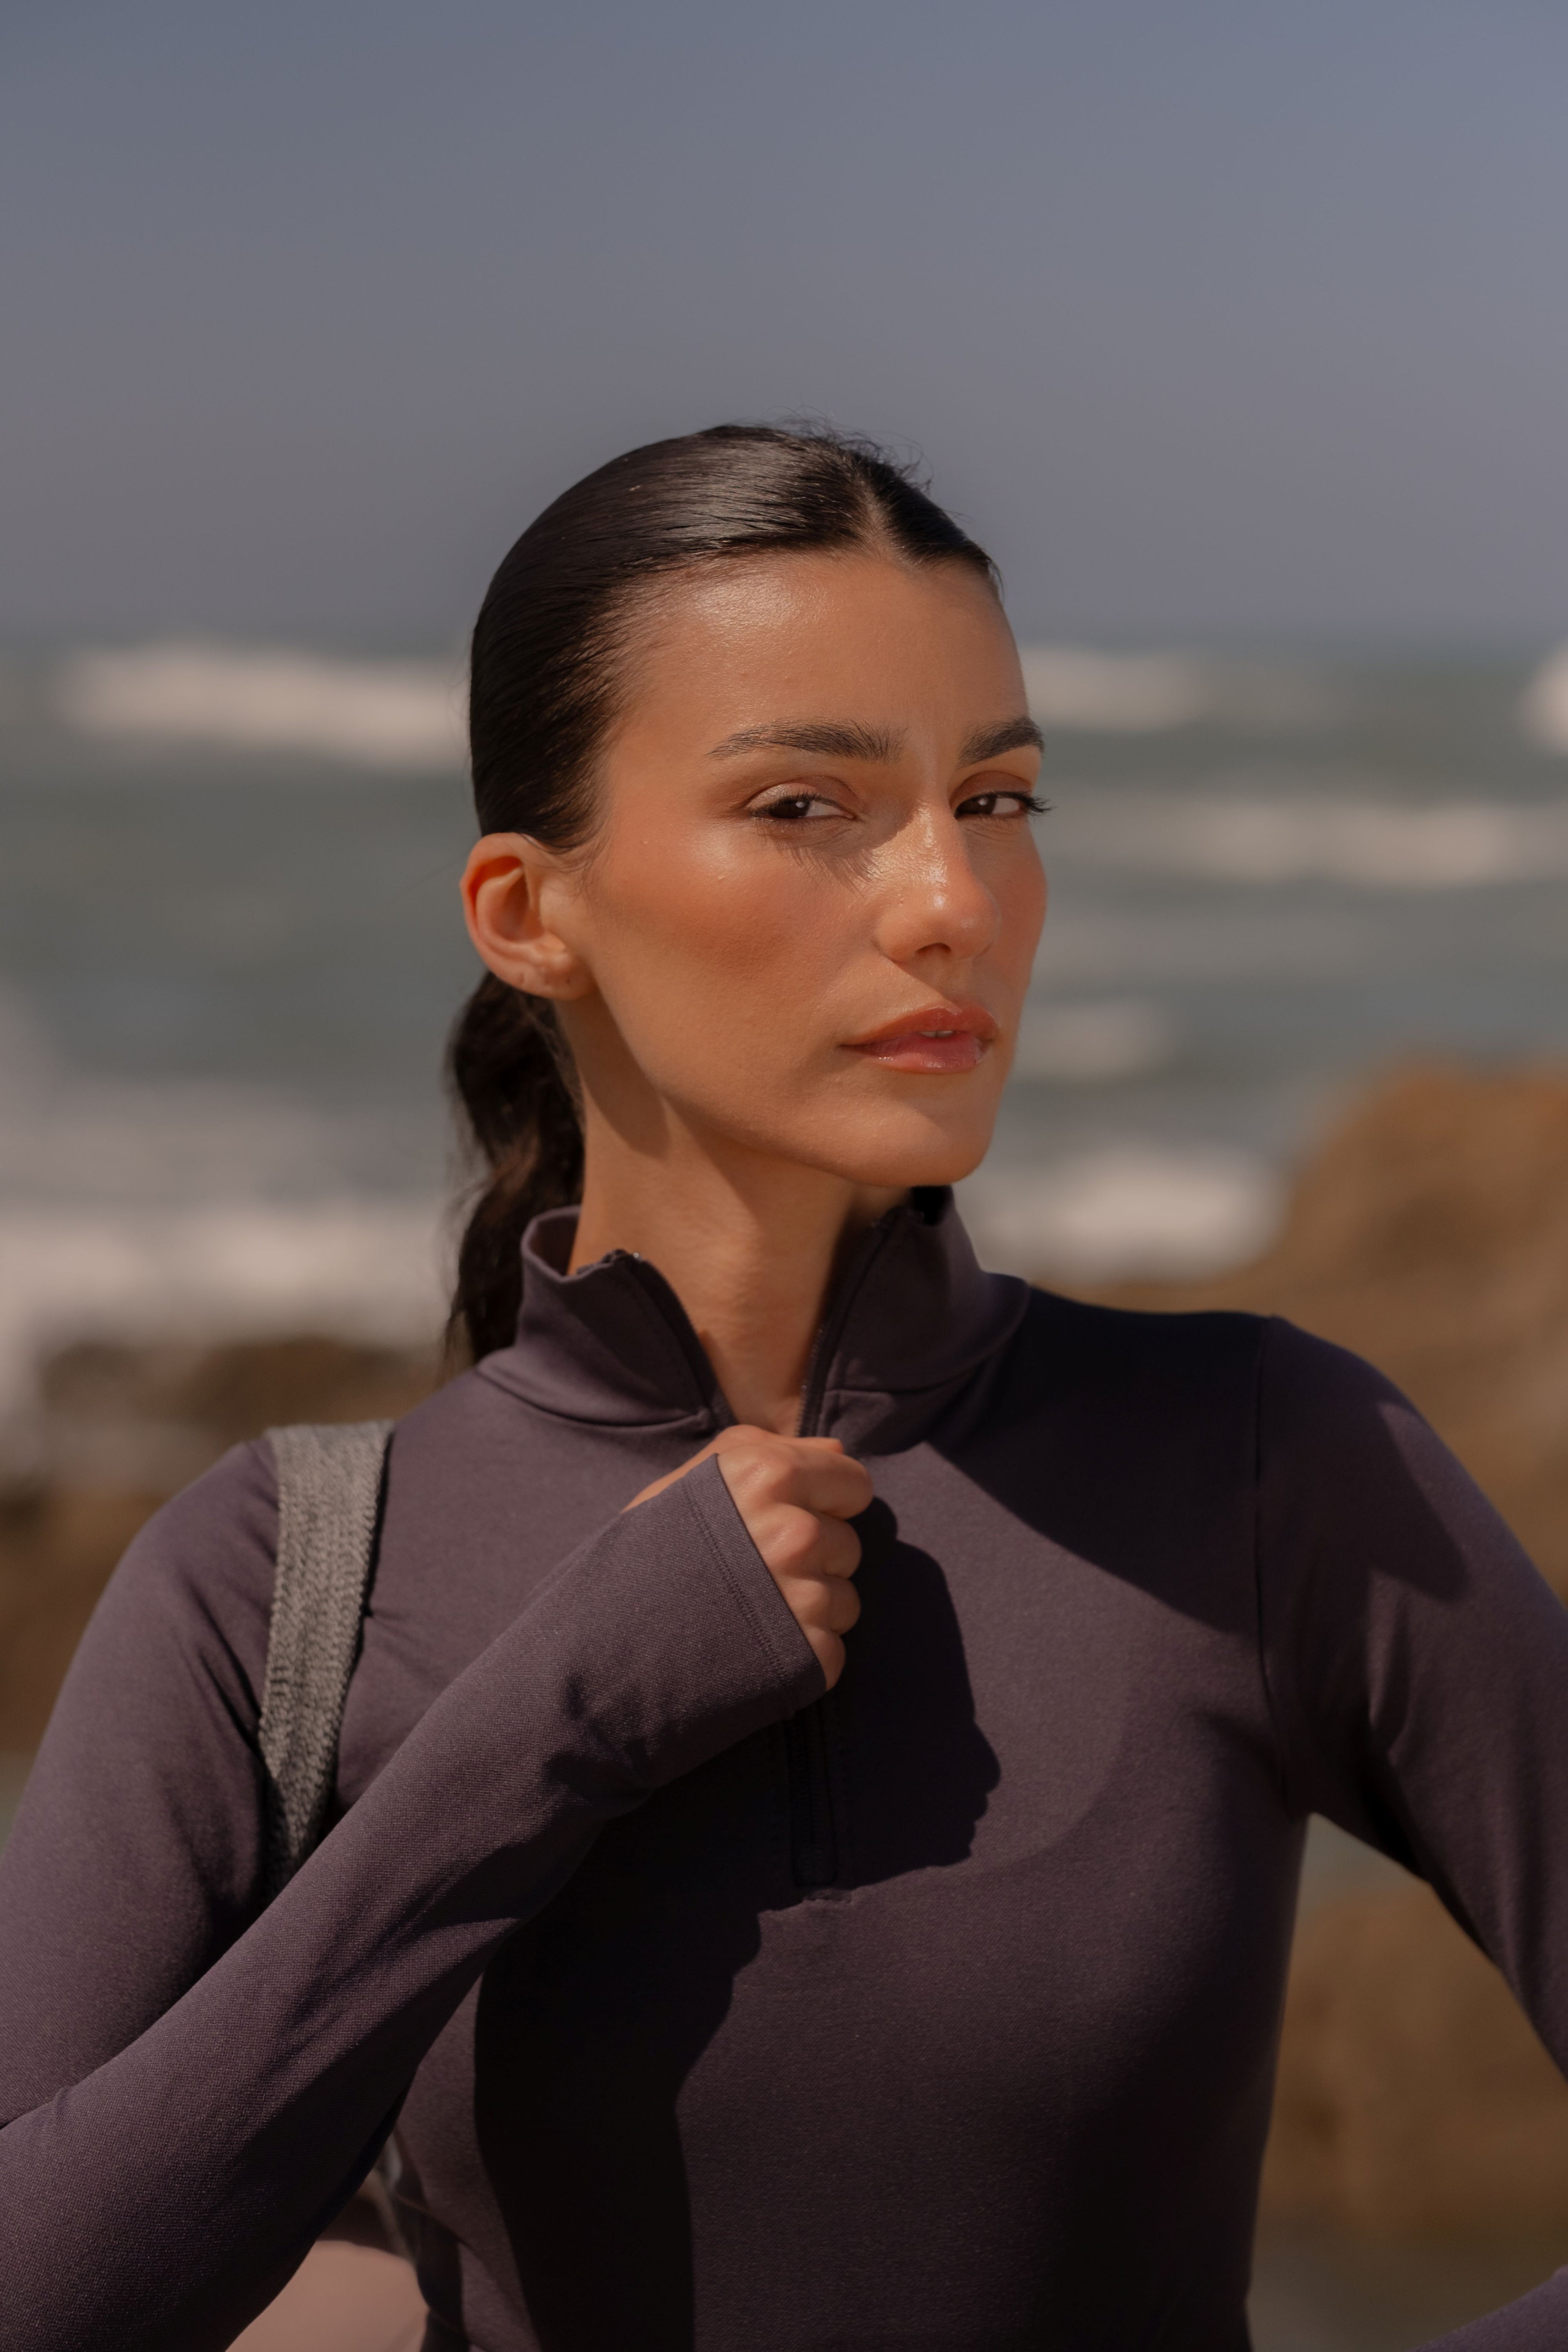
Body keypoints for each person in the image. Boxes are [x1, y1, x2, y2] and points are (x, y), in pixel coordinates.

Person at [2, 424, 1567, 2352]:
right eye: (808, 803)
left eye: (995, 798)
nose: (952, 900)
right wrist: (551, 1731)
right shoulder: (282, 1578)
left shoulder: (1268, 1461)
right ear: (527, 912)